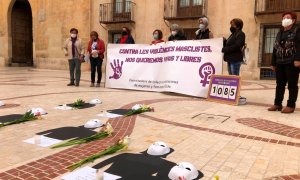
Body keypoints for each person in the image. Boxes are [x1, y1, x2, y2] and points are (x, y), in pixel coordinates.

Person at [268, 11, 300, 113]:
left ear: (293, 20)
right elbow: (275, 48)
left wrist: (298, 59)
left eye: (287, 17)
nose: (284, 19)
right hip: (279, 62)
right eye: (283, 18)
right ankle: (277, 104)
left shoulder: (297, 31)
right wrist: (273, 63)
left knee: (292, 85)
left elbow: (299, 46)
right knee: (279, 84)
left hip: (292, 62)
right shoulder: (279, 32)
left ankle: (291, 105)